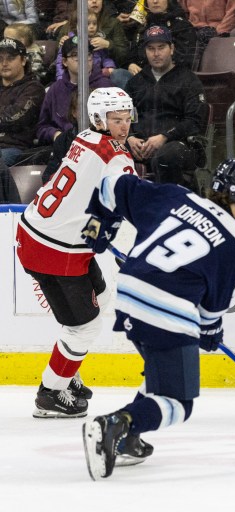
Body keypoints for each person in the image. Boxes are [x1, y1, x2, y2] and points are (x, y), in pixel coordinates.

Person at [81, 158, 235, 480]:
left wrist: (99, 224)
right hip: (166, 312)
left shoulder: (174, 195)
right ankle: (117, 425)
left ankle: (129, 440)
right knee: (180, 403)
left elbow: (111, 185)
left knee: (161, 376)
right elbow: (212, 310)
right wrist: (210, 334)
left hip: (128, 295)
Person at [15, 87, 136, 418]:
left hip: (36, 235)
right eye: (116, 119)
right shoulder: (118, 158)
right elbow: (133, 204)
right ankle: (51, 393)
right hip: (56, 250)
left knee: (102, 294)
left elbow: (89, 194)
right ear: (99, 119)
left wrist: (100, 225)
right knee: (85, 327)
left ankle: (66, 372)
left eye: (127, 119)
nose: (124, 127)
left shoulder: (84, 137)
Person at [125, 24, 206, 187]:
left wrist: (164, 137)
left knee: (166, 157)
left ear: (172, 48)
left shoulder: (188, 80)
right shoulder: (135, 82)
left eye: (161, 47)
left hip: (179, 146)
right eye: (151, 48)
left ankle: (169, 207)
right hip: (140, 147)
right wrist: (130, 137)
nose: (156, 53)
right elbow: (124, 116)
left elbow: (195, 121)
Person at [37, 37, 113, 147]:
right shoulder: (55, 89)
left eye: (88, 54)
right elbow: (42, 127)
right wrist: (56, 135)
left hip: (98, 147)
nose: (83, 59)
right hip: (62, 148)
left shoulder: (105, 87)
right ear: (64, 61)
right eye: (75, 55)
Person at [0, 37, 45, 166]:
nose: (4, 63)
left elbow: (15, 118)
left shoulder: (33, 88)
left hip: (13, 148)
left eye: (10, 58)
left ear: (24, 60)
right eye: (0, 58)